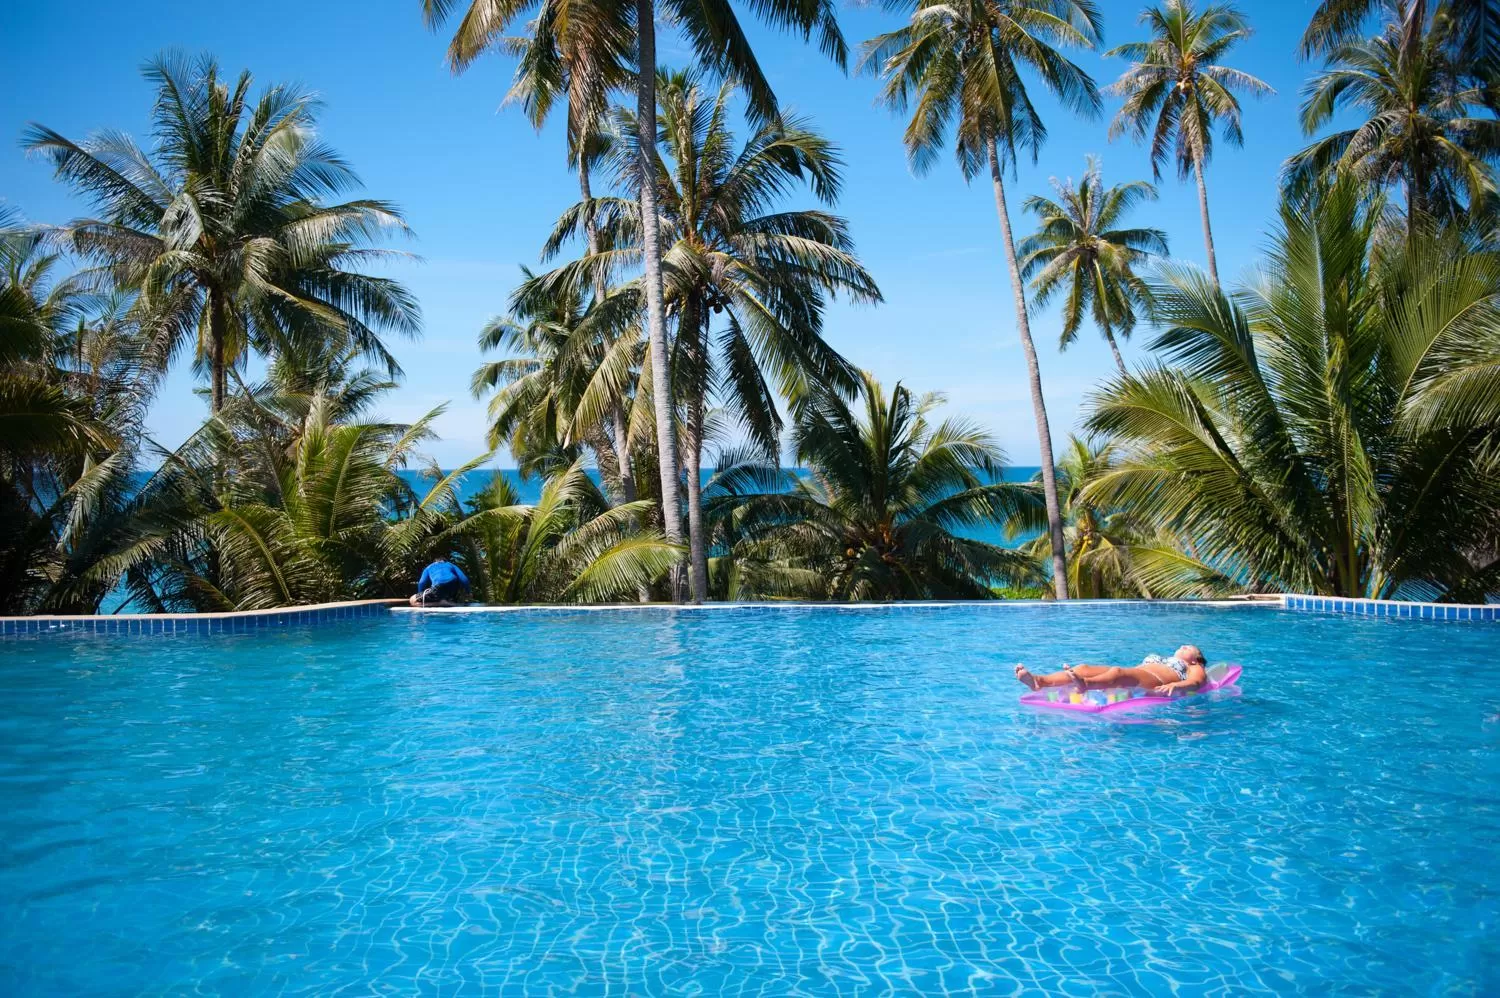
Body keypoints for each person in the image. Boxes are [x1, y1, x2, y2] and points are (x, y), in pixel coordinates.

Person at [1014, 645, 1208, 696]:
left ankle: (1086, 685)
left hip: (1153, 679)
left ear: (1196, 658)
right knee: (1083, 667)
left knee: (1117, 673)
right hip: (1137, 672)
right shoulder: (1166, 658)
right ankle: (1040, 681)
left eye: (1189, 647)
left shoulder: (1193, 666)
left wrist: (1177, 684)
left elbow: (1196, 683)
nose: (1183, 645)